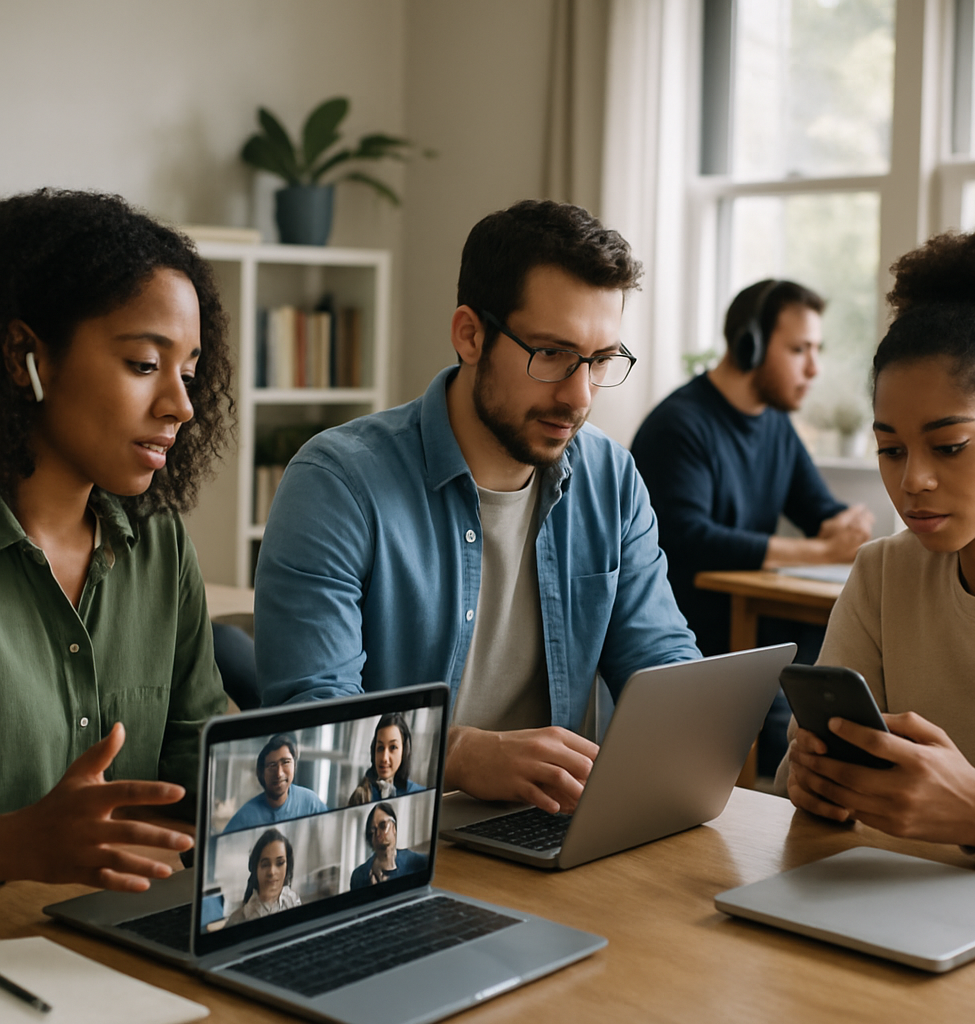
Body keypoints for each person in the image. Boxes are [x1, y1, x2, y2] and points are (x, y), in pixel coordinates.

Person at [255, 200, 700, 815]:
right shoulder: (338, 483)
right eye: (551, 354)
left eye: (600, 361)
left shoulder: (611, 477)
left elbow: (662, 664)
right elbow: (308, 727)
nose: (579, 396)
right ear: (470, 334)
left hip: (549, 825)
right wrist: (459, 756)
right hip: (393, 833)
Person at [0, 188, 231, 892]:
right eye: (143, 364)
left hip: (122, 944)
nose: (181, 406)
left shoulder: (160, 547)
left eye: (189, 372)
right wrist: (15, 848)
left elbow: (203, 763)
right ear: (23, 356)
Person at [776, 224, 975, 865]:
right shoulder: (883, 572)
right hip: (881, 908)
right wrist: (812, 779)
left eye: (949, 446)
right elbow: (790, 792)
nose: (913, 481)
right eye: (890, 449)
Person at [632, 278, 874, 660]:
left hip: (761, 631)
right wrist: (822, 551)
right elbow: (691, 539)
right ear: (750, 346)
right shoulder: (678, 426)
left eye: (816, 350)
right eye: (799, 350)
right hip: (697, 643)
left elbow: (816, 508)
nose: (814, 369)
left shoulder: (775, 424)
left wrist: (845, 523)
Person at [224, 733, 327, 833]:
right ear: (261, 773)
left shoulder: (310, 803)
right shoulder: (245, 817)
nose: (279, 773)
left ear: (294, 765)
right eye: (272, 765)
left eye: (286, 762)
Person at [226, 828, 301, 925]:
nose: (272, 872)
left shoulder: (293, 901)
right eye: (265, 864)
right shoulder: (240, 919)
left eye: (280, 863)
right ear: (256, 868)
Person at [348, 713, 426, 805]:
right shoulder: (361, 795)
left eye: (393, 747)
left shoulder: (420, 794)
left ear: (404, 751)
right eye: (380, 748)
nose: (384, 758)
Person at [349, 803, 428, 888]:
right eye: (373, 830)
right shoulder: (359, 876)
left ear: (394, 827)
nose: (378, 834)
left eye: (383, 825)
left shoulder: (417, 862)